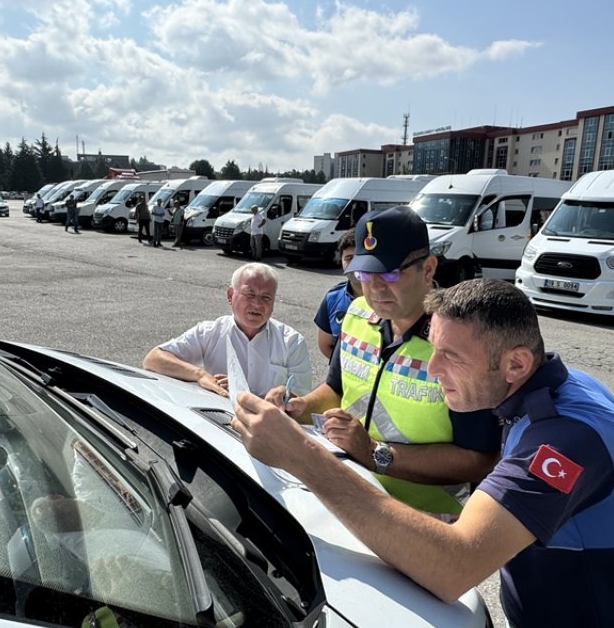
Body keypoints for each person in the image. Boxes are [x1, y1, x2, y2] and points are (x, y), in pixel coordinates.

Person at [233, 279, 614, 626]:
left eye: (450, 356)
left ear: (516, 364)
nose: (432, 368)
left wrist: (303, 457)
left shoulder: (564, 439)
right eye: (433, 348)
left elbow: (453, 566)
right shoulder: (559, 386)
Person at [267, 206, 500, 517]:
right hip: (348, 493)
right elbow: (336, 390)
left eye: (390, 272)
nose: (374, 288)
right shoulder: (357, 313)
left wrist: (376, 454)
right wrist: (299, 407)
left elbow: (481, 459)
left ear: (428, 269)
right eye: (364, 273)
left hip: (425, 518)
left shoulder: (462, 341)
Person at [142, 263, 311, 398]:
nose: (258, 305)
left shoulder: (292, 342)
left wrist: (273, 399)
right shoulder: (210, 332)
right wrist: (200, 375)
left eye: (266, 297)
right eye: (249, 294)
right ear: (230, 295)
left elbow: (302, 402)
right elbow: (153, 359)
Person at [313, 229, 362, 359]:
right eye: (349, 258)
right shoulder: (332, 298)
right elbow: (325, 345)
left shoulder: (387, 298)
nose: (355, 264)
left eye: (360, 257)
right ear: (341, 260)